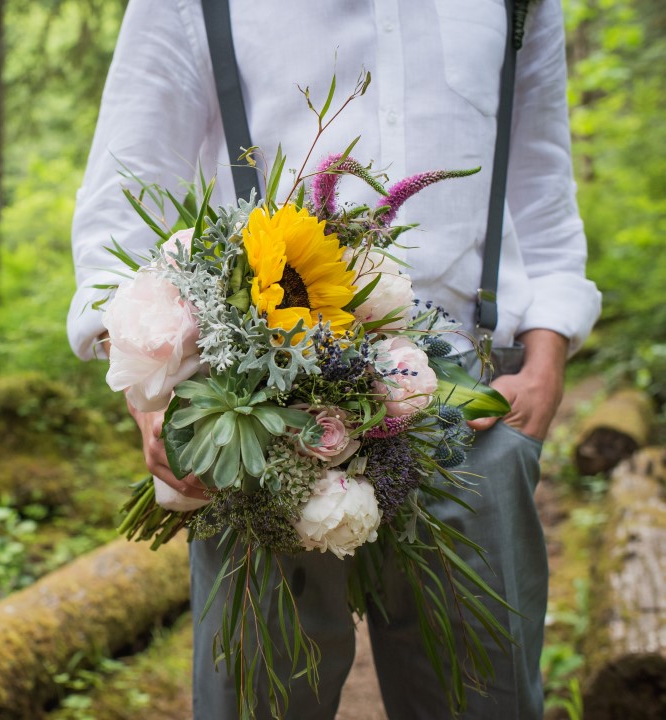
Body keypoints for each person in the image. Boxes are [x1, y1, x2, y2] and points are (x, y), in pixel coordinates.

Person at [67, 1, 601, 718]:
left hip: (475, 403)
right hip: (254, 403)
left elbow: (539, 180)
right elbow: (120, 199)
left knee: (483, 698)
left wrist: (547, 355)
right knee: (257, 697)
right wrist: (150, 393)